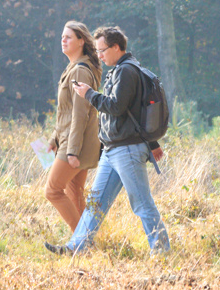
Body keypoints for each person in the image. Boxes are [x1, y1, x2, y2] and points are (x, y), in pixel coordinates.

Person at [45, 26, 170, 255]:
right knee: (95, 204)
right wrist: (151, 143)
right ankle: (77, 247)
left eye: (103, 50)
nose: (100, 55)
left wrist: (89, 94)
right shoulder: (121, 70)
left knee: (142, 203)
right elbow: (134, 112)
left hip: (127, 151)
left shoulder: (127, 72)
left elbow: (116, 107)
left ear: (116, 47)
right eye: (98, 51)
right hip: (113, 150)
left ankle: (161, 251)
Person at [44, 21, 103, 232]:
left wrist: (71, 151)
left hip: (74, 144)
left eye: (68, 37)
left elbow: (80, 114)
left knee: (52, 191)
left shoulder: (80, 71)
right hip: (70, 141)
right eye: (62, 36)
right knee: (74, 192)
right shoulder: (73, 68)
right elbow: (66, 113)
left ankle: (81, 241)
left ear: (81, 41)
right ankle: (89, 240)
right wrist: (53, 139)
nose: (63, 40)